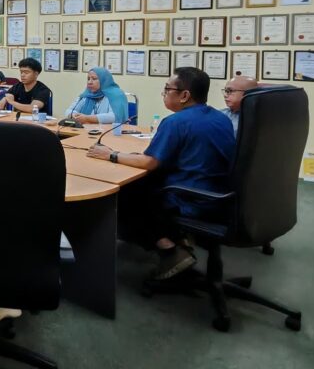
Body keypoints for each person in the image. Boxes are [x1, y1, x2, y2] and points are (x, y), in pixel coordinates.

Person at [87, 67, 235, 280]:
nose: (163, 93)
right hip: (220, 194)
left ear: (184, 95)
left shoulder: (176, 122)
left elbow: (150, 162)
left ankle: (169, 250)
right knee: (145, 182)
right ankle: (179, 240)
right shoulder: (220, 117)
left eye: (167, 89)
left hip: (191, 198)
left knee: (125, 191)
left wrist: (111, 154)